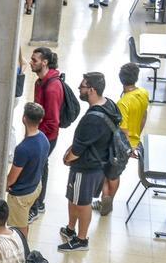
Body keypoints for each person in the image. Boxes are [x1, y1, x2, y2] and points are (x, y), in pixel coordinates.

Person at [59, 72, 118, 252]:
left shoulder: (92, 119)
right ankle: (70, 228)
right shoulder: (109, 105)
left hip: (85, 168)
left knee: (82, 203)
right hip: (99, 164)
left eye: (82, 86)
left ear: (91, 90)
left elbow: (78, 149)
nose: (79, 89)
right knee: (74, 197)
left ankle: (81, 239)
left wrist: (67, 159)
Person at [93, 62, 149, 215]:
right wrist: (135, 140)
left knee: (109, 175)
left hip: (121, 147)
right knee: (114, 174)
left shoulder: (123, 103)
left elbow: (122, 130)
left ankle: (106, 203)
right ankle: (106, 201)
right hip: (133, 142)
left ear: (121, 79)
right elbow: (144, 116)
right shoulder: (143, 93)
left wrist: (126, 147)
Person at [28, 47, 64, 222]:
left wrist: (38, 139)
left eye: (34, 60)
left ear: (45, 62)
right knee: (41, 167)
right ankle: (38, 203)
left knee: (38, 169)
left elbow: (52, 121)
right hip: (39, 133)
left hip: (46, 137)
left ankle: (36, 205)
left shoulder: (52, 88)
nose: (31, 62)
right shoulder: (39, 82)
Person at [7, 103, 50, 236]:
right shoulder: (44, 139)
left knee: (18, 227)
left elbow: (11, 179)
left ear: (24, 118)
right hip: (36, 186)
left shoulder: (23, 148)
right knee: (23, 220)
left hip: (21, 195)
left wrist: (5, 186)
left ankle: (22, 250)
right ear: (40, 119)